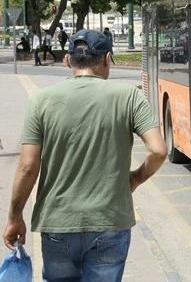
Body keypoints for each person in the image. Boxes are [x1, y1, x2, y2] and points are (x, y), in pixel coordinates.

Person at [2, 29, 167, 281]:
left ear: (68, 60)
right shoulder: (128, 96)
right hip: (110, 222)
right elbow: (158, 150)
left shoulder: (41, 100)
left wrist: (15, 216)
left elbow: (27, 167)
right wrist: (134, 179)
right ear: (107, 58)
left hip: (58, 222)